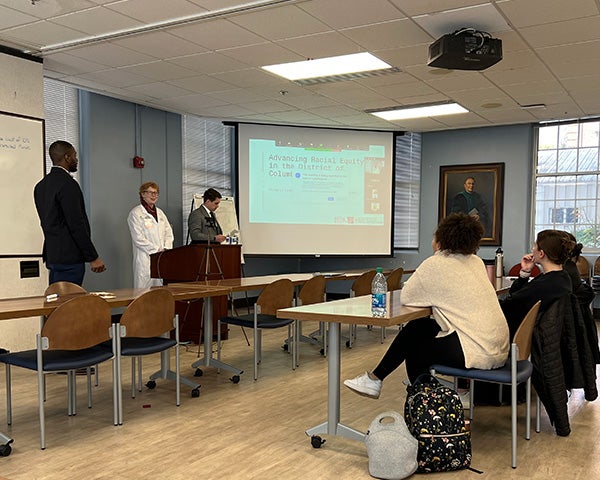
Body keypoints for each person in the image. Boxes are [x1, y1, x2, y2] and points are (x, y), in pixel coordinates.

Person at [344, 213, 509, 399]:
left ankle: (428, 405)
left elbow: (407, 297)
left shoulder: (436, 263)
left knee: (416, 348)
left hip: (476, 351)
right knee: (420, 327)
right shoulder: (476, 262)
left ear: (441, 240)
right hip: (497, 348)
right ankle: (379, 380)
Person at [34, 140, 105, 286]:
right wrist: (93, 257)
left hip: (53, 255)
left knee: (57, 301)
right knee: (69, 305)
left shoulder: (40, 186)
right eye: (74, 155)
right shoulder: (68, 185)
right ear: (67, 157)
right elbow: (76, 224)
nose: (76, 159)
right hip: (70, 258)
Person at [499, 230, 574, 338]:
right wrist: (525, 272)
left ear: (541, 253)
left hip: (525, 338)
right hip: (548, 339)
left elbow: (508, 305)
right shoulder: (563, 278)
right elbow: (516, 296)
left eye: (534, 246)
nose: (532, 249)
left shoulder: (544, 285)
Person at [127, 182, 174, 289]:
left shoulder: (160, 213)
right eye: (151, 193)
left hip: (161, 257)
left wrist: (166, 248)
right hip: (145, 258)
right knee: (143, 292)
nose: (154, 196)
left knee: (160, 291)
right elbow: (138, 238)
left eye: (156, 193)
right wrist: (156, 249)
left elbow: (169, 233)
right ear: (143, 194)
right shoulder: (136, 213)